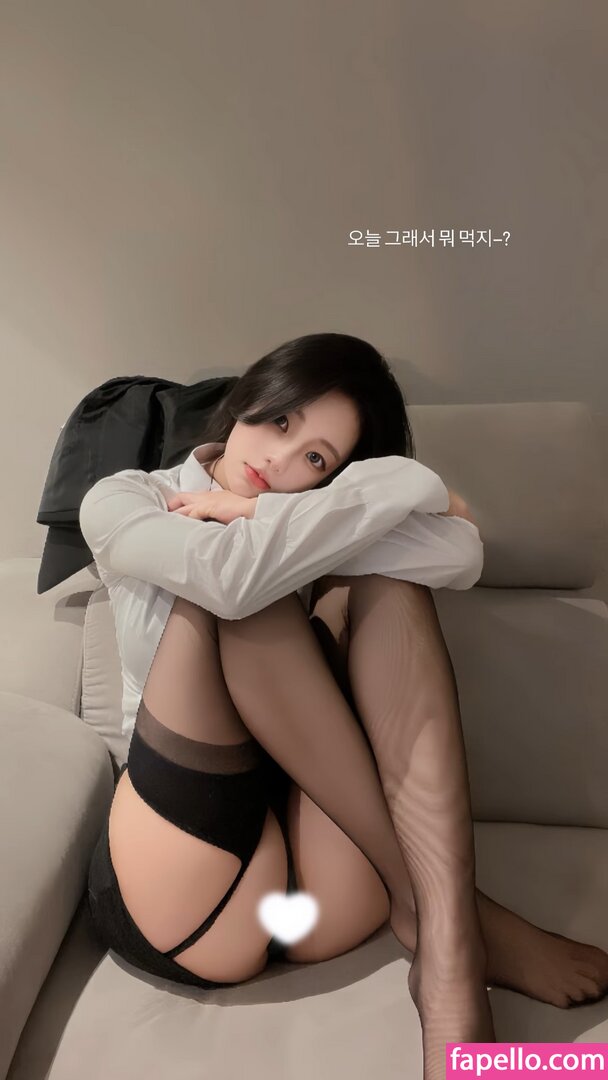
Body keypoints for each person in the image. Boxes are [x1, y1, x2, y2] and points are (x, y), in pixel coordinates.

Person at [81, 333, 608, 1080]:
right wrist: (271, 517)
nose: (280, 461)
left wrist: (257, 510)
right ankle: (453, 914)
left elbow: (459, 551)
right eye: (281, 420)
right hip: (187, 887)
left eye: (317, 459)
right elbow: (227, 582)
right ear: (249, 396)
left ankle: (447, 958)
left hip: (319, 891)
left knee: (389, 585)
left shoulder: (308, 518)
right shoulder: (126, 496)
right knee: (244, 597)